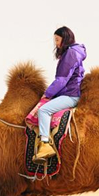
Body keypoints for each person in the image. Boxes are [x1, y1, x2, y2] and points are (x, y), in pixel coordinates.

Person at [33, 26, 87, 163]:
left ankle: (45, 144)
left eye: (57, 40)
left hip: (71, 95)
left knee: (43, 110)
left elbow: (62, 79)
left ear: (65, 39)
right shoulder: (73, 52)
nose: (56, 43)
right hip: (69, 93)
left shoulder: (70, 54)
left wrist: (48, 94)